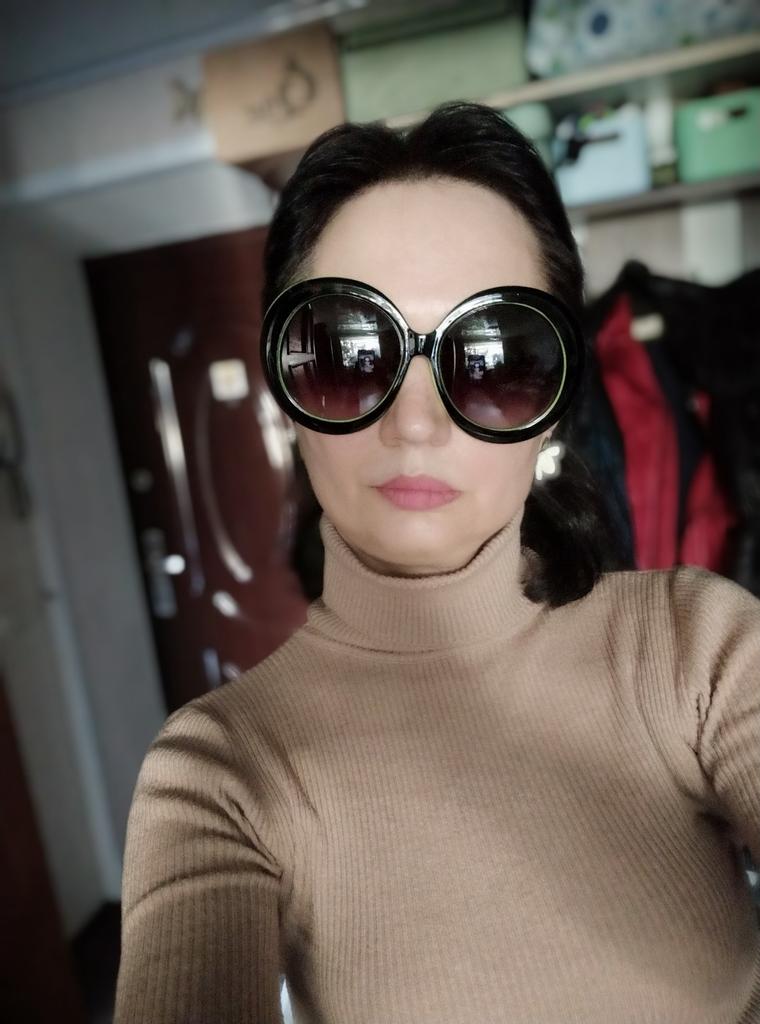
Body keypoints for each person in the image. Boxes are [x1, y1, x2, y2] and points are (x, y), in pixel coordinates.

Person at [113, 101, 760, 1023]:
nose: (415, 423)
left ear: (556, 398)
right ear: (288, 397)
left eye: (495, 359)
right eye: (348, 355)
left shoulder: (702, 648)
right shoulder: (221, 774)